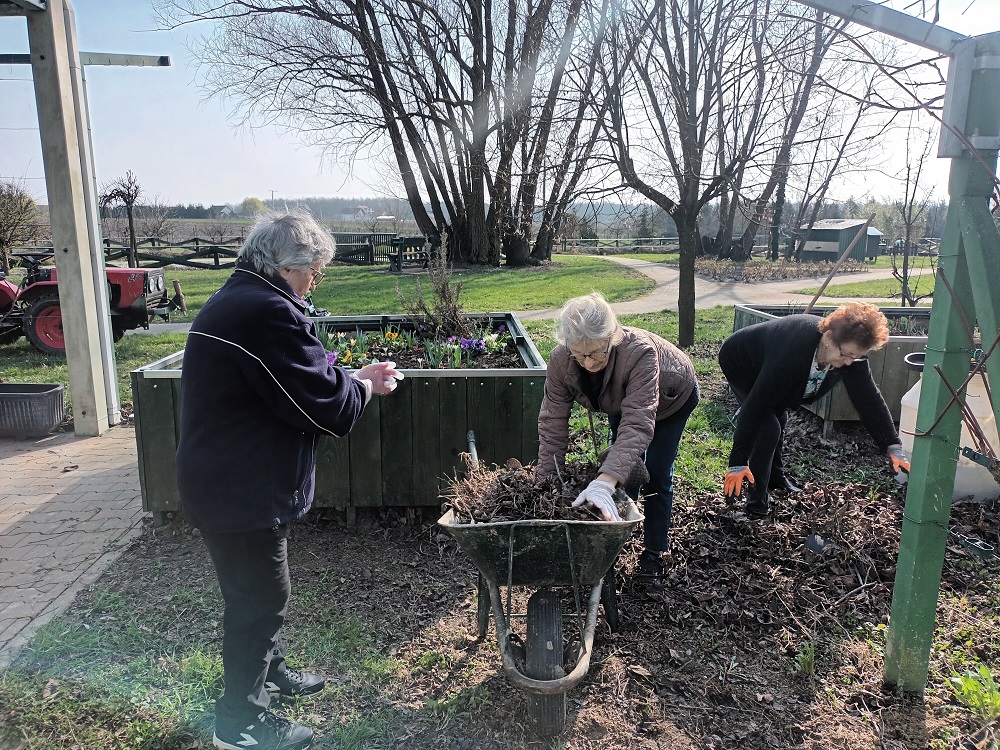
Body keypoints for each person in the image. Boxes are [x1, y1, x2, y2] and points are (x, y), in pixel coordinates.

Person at [175, 210, 402, 750]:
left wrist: (352, 378)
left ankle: (270, 672)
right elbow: (326, 408)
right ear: (285, 266)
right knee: (259, 600)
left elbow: (290, 383)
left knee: (253, 592)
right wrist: (364, 388)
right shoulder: (266, 312)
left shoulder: (240, 298)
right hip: (240, 490)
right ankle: (240, 723)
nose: (315, 282)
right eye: (313, 271)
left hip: (224, 479)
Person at [536, 292, 700, 581]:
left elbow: (637, 423)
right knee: (626, 469)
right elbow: (553, 422)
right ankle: (619, 532)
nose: (588, 363)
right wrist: (546, 481)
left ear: (611, 338)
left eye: (596, 353)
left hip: (672, 398)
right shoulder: (561, 360)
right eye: (579, 354)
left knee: (657, 474)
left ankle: (654, 552)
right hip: (617, 399)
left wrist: (604, 482)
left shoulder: (640, 353)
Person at [718, 302, 911, 517]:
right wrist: (737, 463)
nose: (849, 363)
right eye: (846, 354)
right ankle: (756, 507)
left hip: (771, 364)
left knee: (778, 415)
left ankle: (775, 479)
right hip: (741, 361)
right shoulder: (792, 352)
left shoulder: (850, 357)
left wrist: (892, 445)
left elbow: (869, 400)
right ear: (828, 338)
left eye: (855, 356)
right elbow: (755, 407)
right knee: (768, 428)